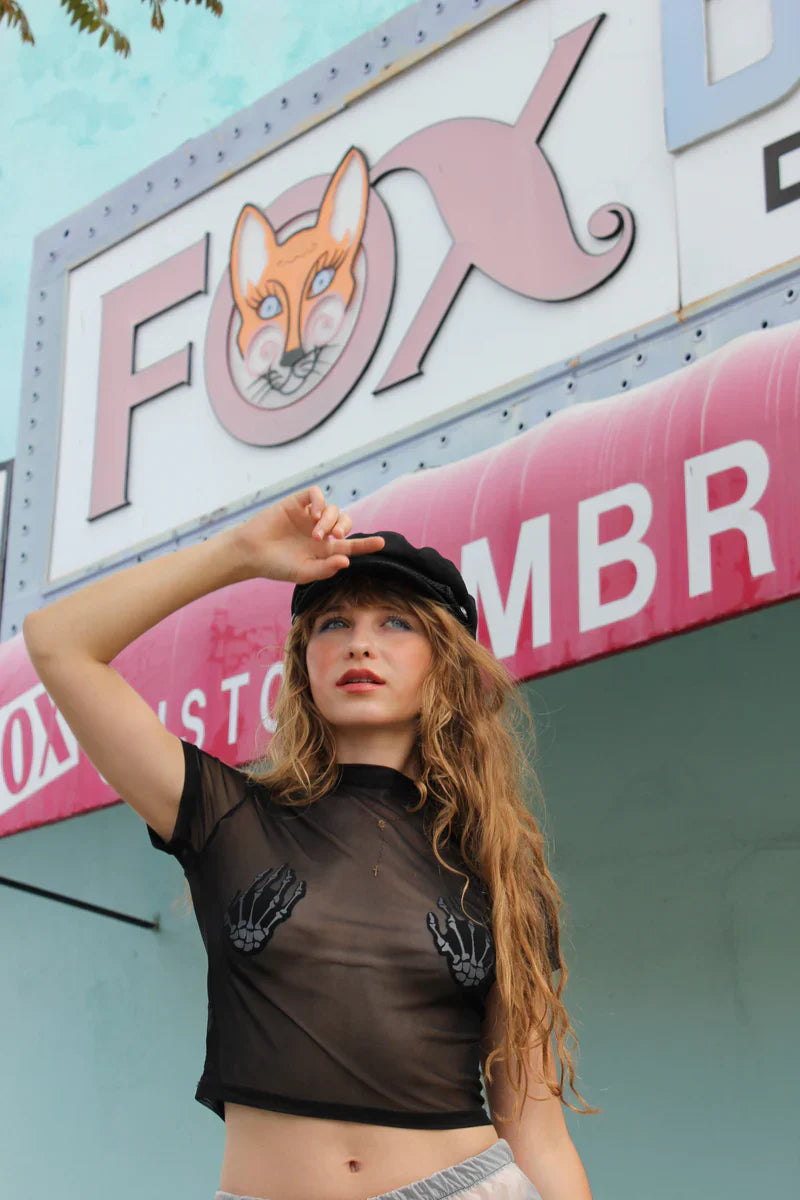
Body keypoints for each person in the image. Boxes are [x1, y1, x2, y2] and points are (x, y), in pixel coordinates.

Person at [23, 485, 595, 1200]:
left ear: (444, 664)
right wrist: (240, 553)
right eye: (333, 623)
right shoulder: (227, 817)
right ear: (304, 665)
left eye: (395, 622)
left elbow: (536, 1129)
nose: (360, 642)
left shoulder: (498, 873)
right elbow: (58, 642)